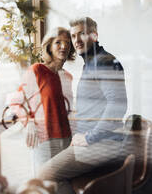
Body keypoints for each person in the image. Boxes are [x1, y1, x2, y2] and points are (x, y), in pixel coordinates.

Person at [37, 17, 128, 194]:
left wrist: (89, 137)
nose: (76, 41)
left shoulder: (103, 61)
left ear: (94, 35)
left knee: (44, 174)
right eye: (73, 36)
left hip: (103, 143)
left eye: (82, 34)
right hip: (96, 140)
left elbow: (118, 105)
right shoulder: (91, 63)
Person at [4, 27, 75, 177]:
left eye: (67, 43)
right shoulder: (37, 71)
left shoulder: (67, 76)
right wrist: (28, 122)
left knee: (64, 182)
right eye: (58, 42)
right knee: (44, 184)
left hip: (67, 139)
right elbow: (15, 102)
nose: (64, 46)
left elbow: (67, 109)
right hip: (44, 140)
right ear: (49, 46)